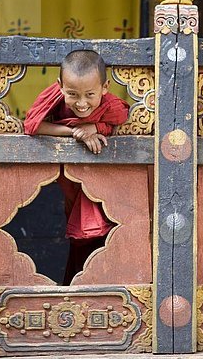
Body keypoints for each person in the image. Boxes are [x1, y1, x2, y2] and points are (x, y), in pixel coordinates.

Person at [24, 50, 130, 285]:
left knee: (105, 233)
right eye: (72, 94)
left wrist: (96, 128)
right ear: (60, 85)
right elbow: (32, 125)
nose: (81, 103)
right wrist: (75, 133)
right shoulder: (55, 96)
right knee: (79, 236)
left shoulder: (111, 104)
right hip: (70, 179)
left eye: (90, 94)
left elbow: (121, 119)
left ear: (105, 87)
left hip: (105, 182)